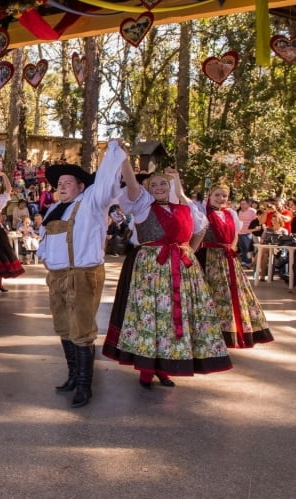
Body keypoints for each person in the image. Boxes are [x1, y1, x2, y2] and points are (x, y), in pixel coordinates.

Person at [102, 167, 232, 389]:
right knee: (150, 316)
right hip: (152, 269)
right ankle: (146, 369)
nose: (159, 188)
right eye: (154, 185)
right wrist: (124, 163)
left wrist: (188, 251)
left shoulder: (185, 208)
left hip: (181, 266)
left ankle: (163, 368)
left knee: (171, 318)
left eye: (164, 184)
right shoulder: (143, 206)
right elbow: (132, 187)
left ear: (170, 186)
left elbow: (201, 230)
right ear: (148, 189)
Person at [36, 140, 126, 408]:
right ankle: (73, 376)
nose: (61, 186)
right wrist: (45, 259)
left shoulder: (92, 202)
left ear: (81, 186)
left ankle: (85, 387)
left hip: (82, 274)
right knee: (64, 327)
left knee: (82, 329)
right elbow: (44, 239)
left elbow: (108, 183)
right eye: (59, 183)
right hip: (57, 276)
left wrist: (112, 152)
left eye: (67, 182)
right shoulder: (54, 209)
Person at [196, 185, 273, 348]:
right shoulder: (202, 211)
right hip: (208, 257)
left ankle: (230, 332)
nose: (220, 198)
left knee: (232, 295)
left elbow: (235, 235)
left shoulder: (230, 213)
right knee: (211, 294)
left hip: (227, 257)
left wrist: (231, 248)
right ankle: (207, 332)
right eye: (217, 195)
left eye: (224, 196)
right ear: (209, 195)